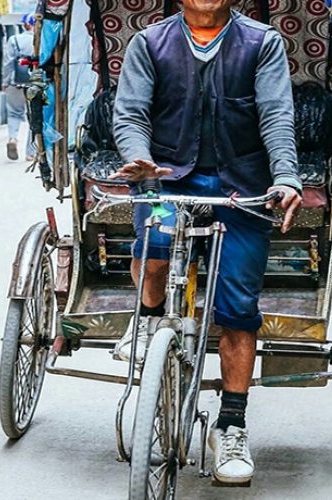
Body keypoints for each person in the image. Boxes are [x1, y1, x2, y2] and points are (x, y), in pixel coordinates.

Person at [111, 0, 302, 485]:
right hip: (166, 180)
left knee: (238, 305)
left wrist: (286, 177)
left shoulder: (262, 43)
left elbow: (277, 115)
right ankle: (150, 321)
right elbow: (130, 114)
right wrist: (139, 159)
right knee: (154, 251)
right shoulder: (149, 44)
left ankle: (232, 425)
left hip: (241, 186)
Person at [1, 14, 38, 162]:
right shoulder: (41, 41)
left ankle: (13, 139)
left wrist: (5, 82)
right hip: (35, 82)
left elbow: (8, 63)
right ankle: (30, 152)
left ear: (25, 25)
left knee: (14, 113)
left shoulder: (14, 40)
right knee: (34, 117)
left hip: (15, 81)